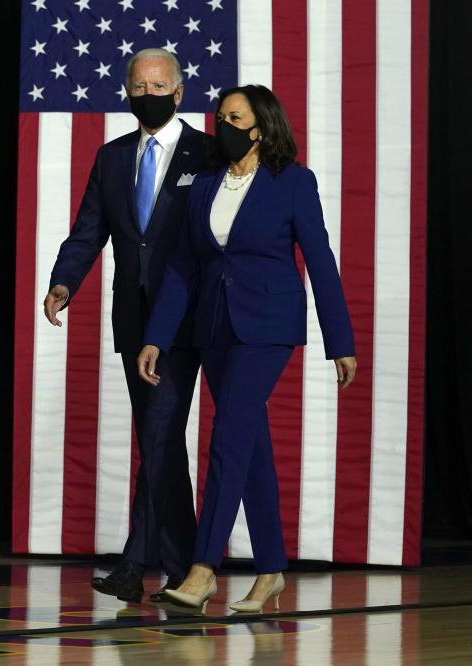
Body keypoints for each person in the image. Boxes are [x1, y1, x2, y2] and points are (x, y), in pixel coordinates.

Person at [137, 85, 357, 613]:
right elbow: (183, 268)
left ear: (261, 128)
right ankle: (271, 570)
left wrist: (340, 341)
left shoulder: (294, 182)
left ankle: (203, 567)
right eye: (220, 117)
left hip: (268, 327)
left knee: (227, 437)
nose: (224, 126)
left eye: (235, 118)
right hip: (215, 328)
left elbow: (321, 261)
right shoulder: (205, 183)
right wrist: (156, 336)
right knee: (249, 445)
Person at [43, 48, 214, 602]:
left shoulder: (207, 154)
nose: (148, 95)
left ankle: (134, 564)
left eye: (158, 86)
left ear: (180, 92)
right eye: (139, 87)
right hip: (133, 319)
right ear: (126, 91)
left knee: (160, 434)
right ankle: (184, 569)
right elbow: (88, 229)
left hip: (184, 321)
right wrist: (64, 281)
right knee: (160, 441)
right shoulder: (112, 156)